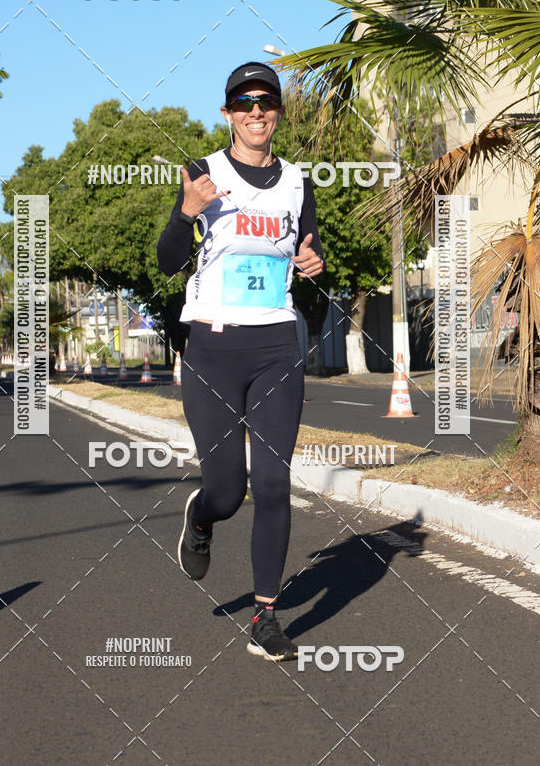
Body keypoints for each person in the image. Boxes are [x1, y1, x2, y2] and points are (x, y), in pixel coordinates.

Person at [157, 62, 325, 661]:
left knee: (275, 482)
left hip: (276, 342)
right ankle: (201, 518)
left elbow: (308, 246)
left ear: (278, 113)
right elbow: (167, 260)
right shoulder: (204, 173)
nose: (256, 112)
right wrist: (184, 211)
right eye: (244, 102)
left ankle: (265, 616)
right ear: (227, 112)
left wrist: (313, 262)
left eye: (266, 102)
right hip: (212, 346)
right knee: (228, 489)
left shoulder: (299, 181)